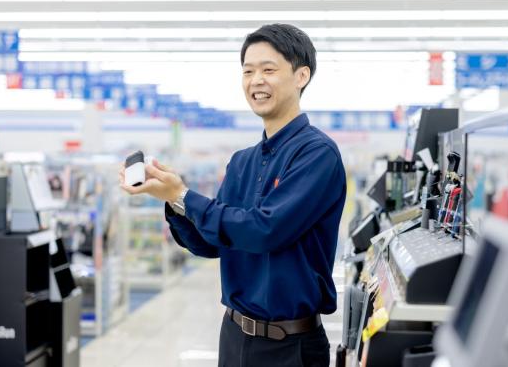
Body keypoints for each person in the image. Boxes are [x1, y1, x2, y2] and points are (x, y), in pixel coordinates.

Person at [120, 23, 347, 367]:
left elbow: (265, 230)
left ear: (301, 76)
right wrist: (171, 198)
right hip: (234, 335)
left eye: (269, 70)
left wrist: (184, 195)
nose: (256, 80)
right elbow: (211, 244)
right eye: (248, 71)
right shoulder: (242, 162)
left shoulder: (317, 154)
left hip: (290, 346)